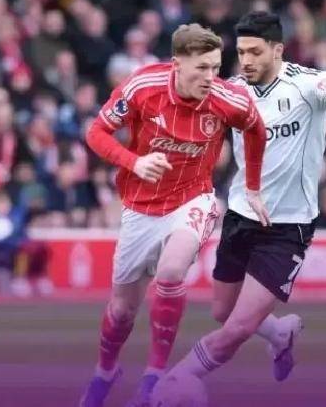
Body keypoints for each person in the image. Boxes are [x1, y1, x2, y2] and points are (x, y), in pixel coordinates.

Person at [164, 11, 326, 385]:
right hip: (240, 215)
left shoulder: (307, 84)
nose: (246, 61)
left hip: (286, 228)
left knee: (236, 329)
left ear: (277, 50)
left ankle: (169, 385)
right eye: (242, 52)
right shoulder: (231, 90)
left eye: (255, 52)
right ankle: (280, 333)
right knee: (223, 311)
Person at [78, 23, 269, 407]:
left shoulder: (227, 99)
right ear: (177, 63)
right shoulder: (142, 87)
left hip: (193, 199)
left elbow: (256, 130)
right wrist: (134, 162)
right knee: (121, 311)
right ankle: (106, 372)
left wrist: (252, 187)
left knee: (170, 272)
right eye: (201, 68)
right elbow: (96, 133)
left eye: (215, 67)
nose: (210, 77)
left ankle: (154, 377)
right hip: (141, 207)